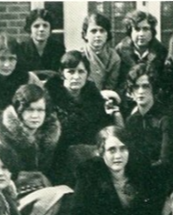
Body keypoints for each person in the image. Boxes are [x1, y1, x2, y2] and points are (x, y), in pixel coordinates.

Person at [44, 50, 123, 186]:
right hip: (58, 158)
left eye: (81, 72)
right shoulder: (50, 96)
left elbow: (103, 128)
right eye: (71, 71)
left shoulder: (93, 96)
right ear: (62, 73)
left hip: (90, 155)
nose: (76, 77)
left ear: (87, 74)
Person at [0, 84, 60, 195]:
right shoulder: (4, 137)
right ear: (19, 111)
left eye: (40, 110)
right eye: (29, 110)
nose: (35, 115)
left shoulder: (49, 134)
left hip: (45, 189)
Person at [0, 34, 42, 137]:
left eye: (12, 59)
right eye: (1, 59)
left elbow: (46, 110)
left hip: (32, 131)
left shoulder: (30, 79)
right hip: (0, 134)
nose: (7, 64)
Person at [124, 63, 173, 175]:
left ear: (153, 88)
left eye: (145, 86)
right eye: (136, 86)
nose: (140, 91)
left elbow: (166, 162)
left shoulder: (166, 119)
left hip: (162, 178)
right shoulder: (131, 121)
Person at [115, 10, 168, 91]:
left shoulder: (162, 53)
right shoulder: (119, 52)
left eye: (145, 29)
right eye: (137, 29)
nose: (141, 34)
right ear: (130, 32)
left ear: (152, 32)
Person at [18, 9, 66, 80]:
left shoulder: (58, 48)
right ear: (29, 28)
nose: (41, 29)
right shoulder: (21, 48)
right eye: (36, 26)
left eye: (45, 25)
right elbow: (21, 74)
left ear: (50, 28)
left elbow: (60, 74)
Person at [81, 12, 121, 91]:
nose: (98, 35)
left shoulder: (113, 57)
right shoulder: (80, 55)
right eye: (93, 31)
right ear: (85, 34)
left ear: (107, 35)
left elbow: (111, 85)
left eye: (102, 31)